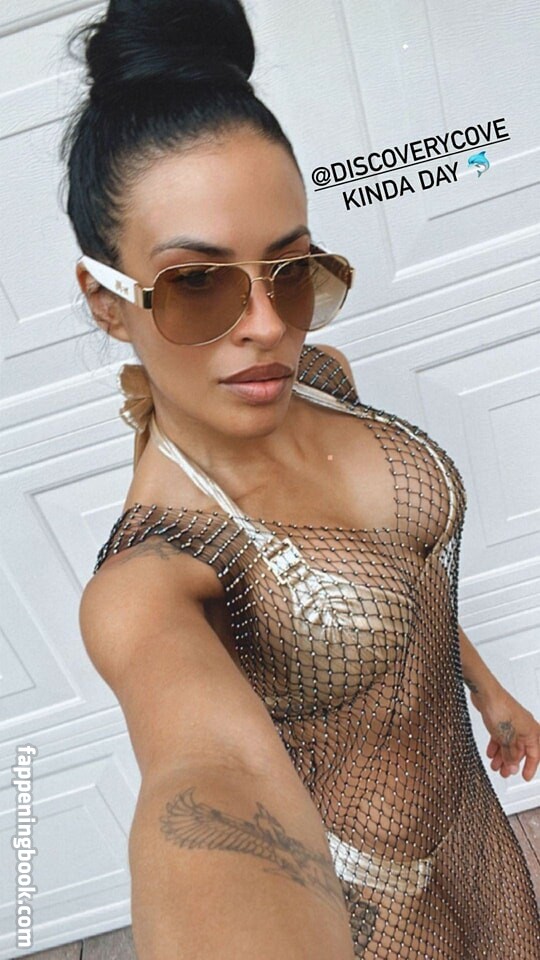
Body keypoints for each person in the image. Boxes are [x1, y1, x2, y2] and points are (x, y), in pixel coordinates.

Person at [64, 0, 540, 957]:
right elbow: (207, 779)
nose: (267, 325)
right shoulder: (155, 575)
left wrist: (488, 689)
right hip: (382, 915)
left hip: (478, 834)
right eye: (197, 283)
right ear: (107, 303)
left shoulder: (322, 379)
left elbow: (403, 577)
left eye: (289, 271)